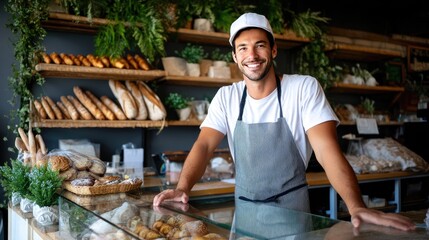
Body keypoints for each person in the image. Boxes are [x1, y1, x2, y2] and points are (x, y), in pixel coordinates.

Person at [153, 12, 415, 231]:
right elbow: (204, 146)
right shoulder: (227, 96)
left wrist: (356, 206)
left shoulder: (302, 88)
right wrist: (182, 187)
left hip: (295, 219)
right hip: (245, 220)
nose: (252, 55)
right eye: (242, 48)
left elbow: (326, 151)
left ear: (274, 49)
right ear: (234, 57)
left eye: (260, 45)